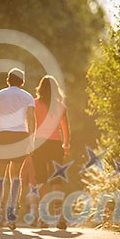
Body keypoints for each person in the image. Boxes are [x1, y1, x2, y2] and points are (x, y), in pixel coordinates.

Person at [0, 67, 36, 231]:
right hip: (21, 136)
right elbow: (31, 118)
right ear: (22, 81)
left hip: (4, 135)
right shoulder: (28, 96)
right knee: (15, 177)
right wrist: (31, 140)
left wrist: (0, 132)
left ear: (8, 80)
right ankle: (12, 213)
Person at [31, 75, 71, 230]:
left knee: (41, 179)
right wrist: (66, 145)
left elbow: (32, 124)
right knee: (57, 180)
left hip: (39, 144)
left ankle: (43, 216)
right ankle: (60, 215)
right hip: (55, 145)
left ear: (40, 88)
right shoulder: (60, 106)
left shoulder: (34, 104)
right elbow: (66, 129)